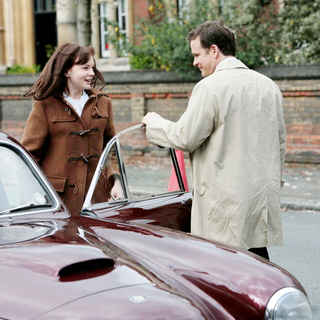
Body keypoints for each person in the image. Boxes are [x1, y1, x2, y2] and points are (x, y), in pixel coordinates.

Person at [142, 21, 286, 260]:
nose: (194, 62)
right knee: (260, 269)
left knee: (225, 276)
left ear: (214, 50)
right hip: (260, 200)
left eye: (197, 54)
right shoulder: (269, 87)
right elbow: (280, 145)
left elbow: (185, 136)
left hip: (225, 205)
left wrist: (154, 123)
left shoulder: (209, 87)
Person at [22, 43, 122, 216]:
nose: (91, 73)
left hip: (96, 196)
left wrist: (117, 181)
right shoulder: (45, 106)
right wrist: (34, 193)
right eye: (85, 68)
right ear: (67, 71)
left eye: (92, 68)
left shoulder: (104, 103)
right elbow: (30, 155)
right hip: (58, 200)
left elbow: (111, 148)